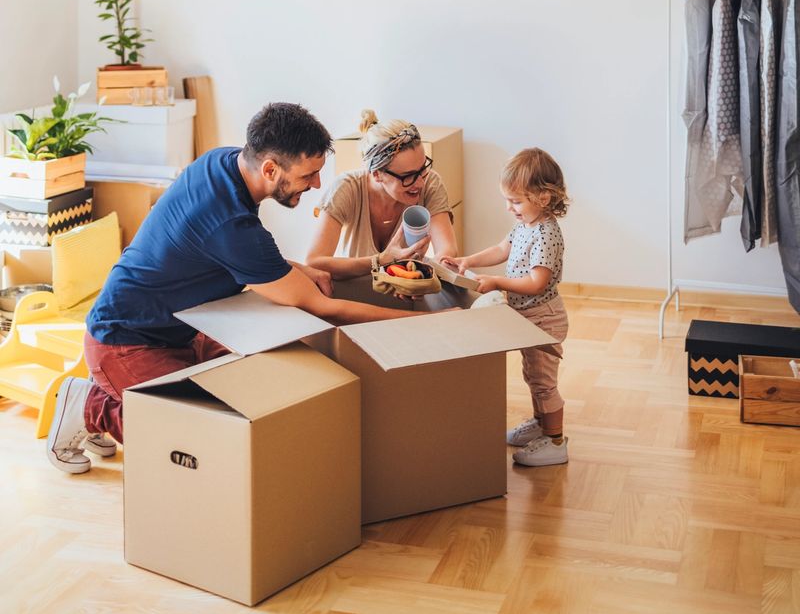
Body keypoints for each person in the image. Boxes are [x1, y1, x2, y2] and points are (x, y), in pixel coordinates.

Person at [46, 102, 419, 474]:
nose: (317, 184)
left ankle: (114, 404)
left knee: (258, 382)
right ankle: (90, 405)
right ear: (270, 168)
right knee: (197, 444)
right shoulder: (233, 225)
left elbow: (229, 253)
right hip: (124, 342)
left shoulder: (224, 163)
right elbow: (321, 307)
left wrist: (300, 269)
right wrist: (406, 321)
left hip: (179, 326)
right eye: (310, 175)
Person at [442, 147, 570, 467]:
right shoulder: (526, 224)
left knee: (543, 381)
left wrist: (497, 283)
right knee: (532, 376)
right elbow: (502, 249)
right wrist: (467, 260)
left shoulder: (547, 233)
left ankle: (556, 442)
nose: (509, 207)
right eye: (508, 200)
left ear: (542, 197)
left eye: (516, 201)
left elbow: (536, 282)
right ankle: (542, 426)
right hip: (527, 317)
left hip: (543, 318)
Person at [306, 110, 458, 294]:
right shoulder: (346, 188)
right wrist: (380, 261)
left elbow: (447, 250)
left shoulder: (431, 183)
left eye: (422, 168)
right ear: (377, 174)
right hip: (356, 294)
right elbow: (315, 261)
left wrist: (417, 275)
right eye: (408, 176)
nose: (420, 182)